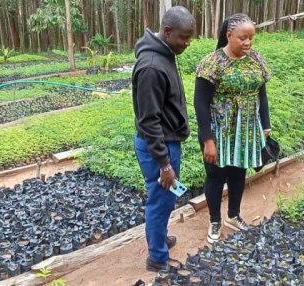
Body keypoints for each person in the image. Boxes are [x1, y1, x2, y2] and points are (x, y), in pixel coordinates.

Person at [193, 13, 272, 244]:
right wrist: (208, 140)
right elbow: (200, 104)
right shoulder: (212, 63)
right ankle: (215, 220)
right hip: (218, 130)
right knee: (216, 175)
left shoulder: (255, 59)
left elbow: (261, 93)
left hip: (246, 129)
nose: (248, 43)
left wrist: (265, 125)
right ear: (229, 36)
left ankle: (234, 216)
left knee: (239, 172)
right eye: (242, 38)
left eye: (251, 38)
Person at [131, 6, 196, 272]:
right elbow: (149, 121)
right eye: (184, 37)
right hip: (158, 146)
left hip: (166, 142)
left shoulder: (165, 53)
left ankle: (159, 238)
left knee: (165, 198)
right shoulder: (152, 67)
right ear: (167, 32)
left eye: (190, 37)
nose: (187, 43)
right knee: (160, 200)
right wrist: (165, 164)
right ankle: (156, 257)